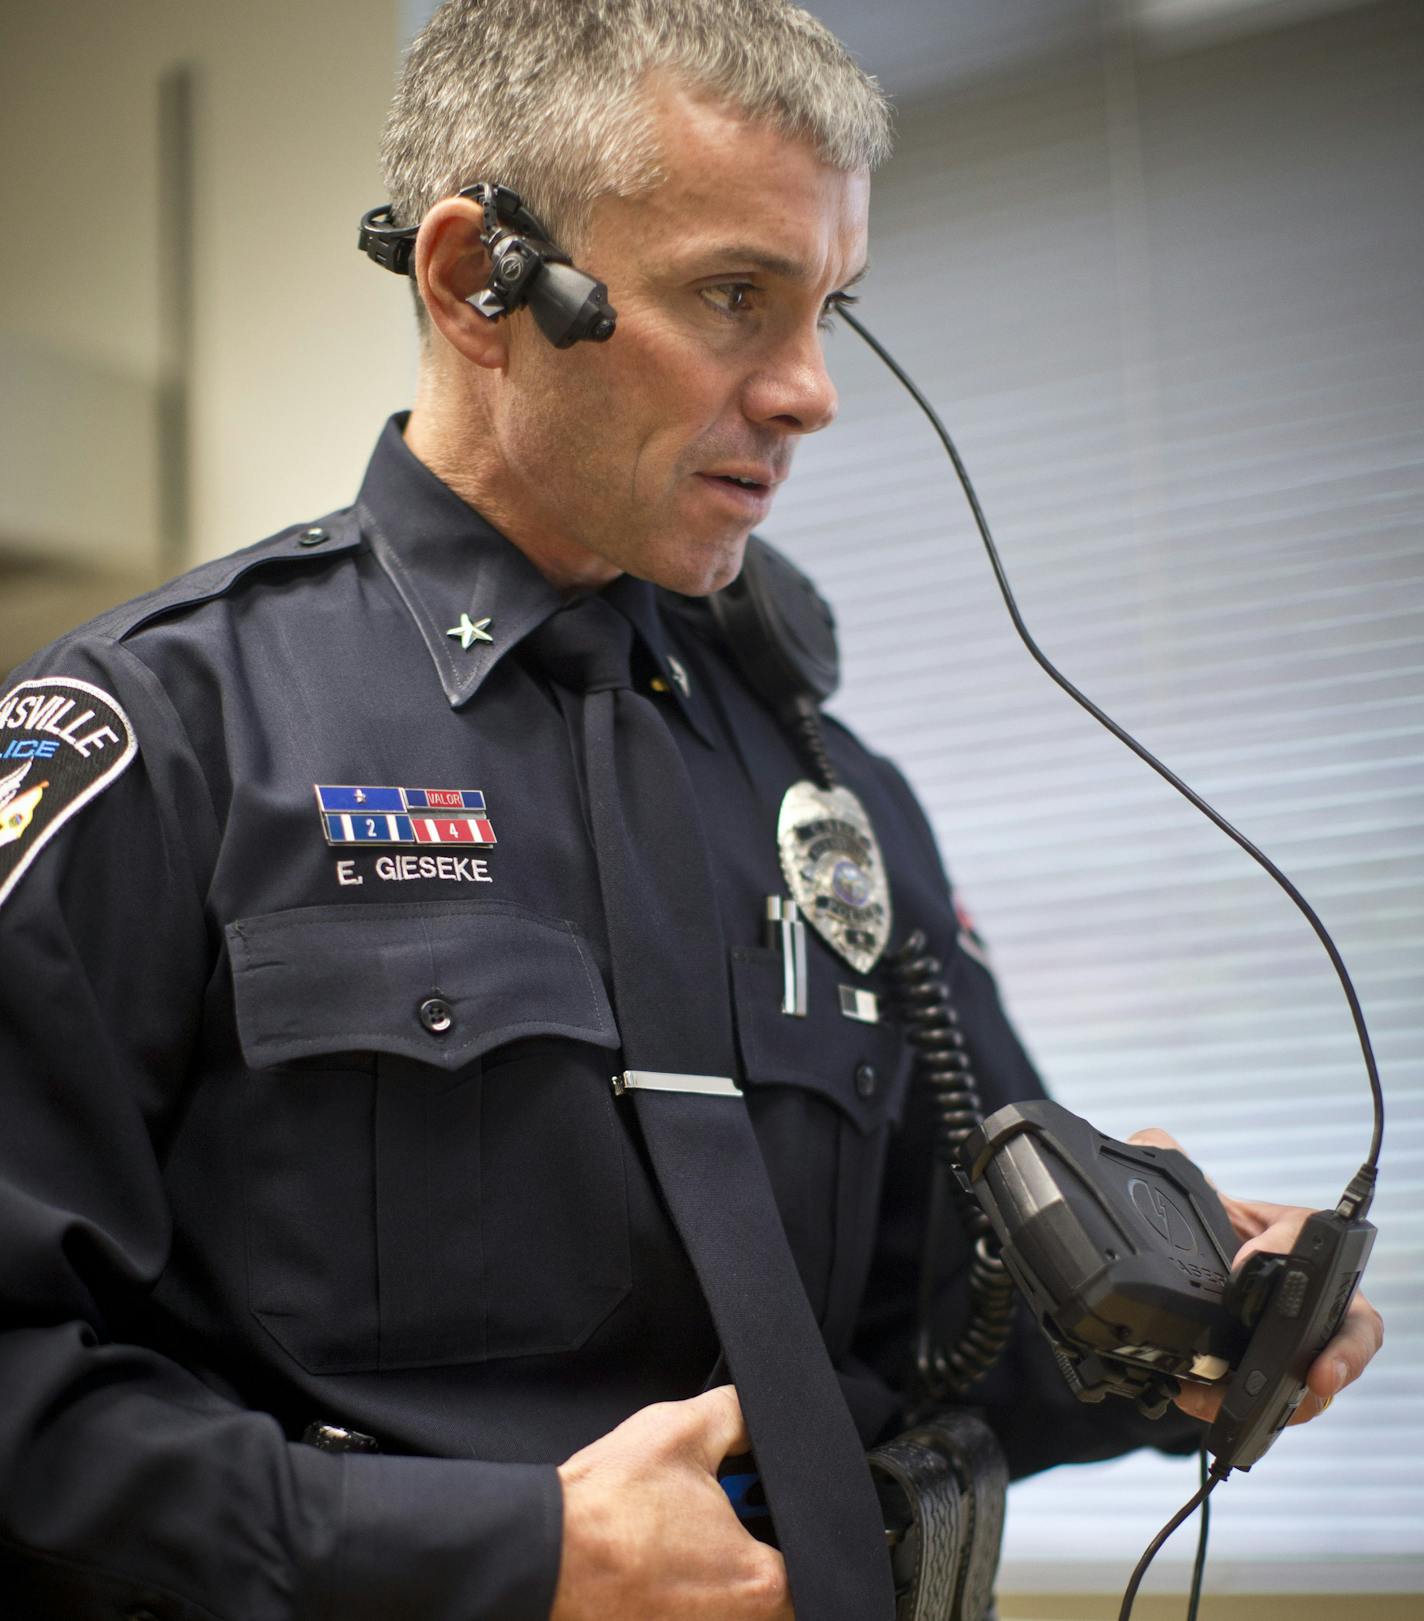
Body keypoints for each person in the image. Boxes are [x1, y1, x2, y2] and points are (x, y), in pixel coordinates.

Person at [0, 3, 1382, 1619]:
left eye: (830, 310)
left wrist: (1186, 1333)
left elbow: (944, 1336)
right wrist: (511, 1556)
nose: (810, 393)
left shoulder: (834, 789)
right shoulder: (165, 733)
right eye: (736, 296)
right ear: (475, 285)